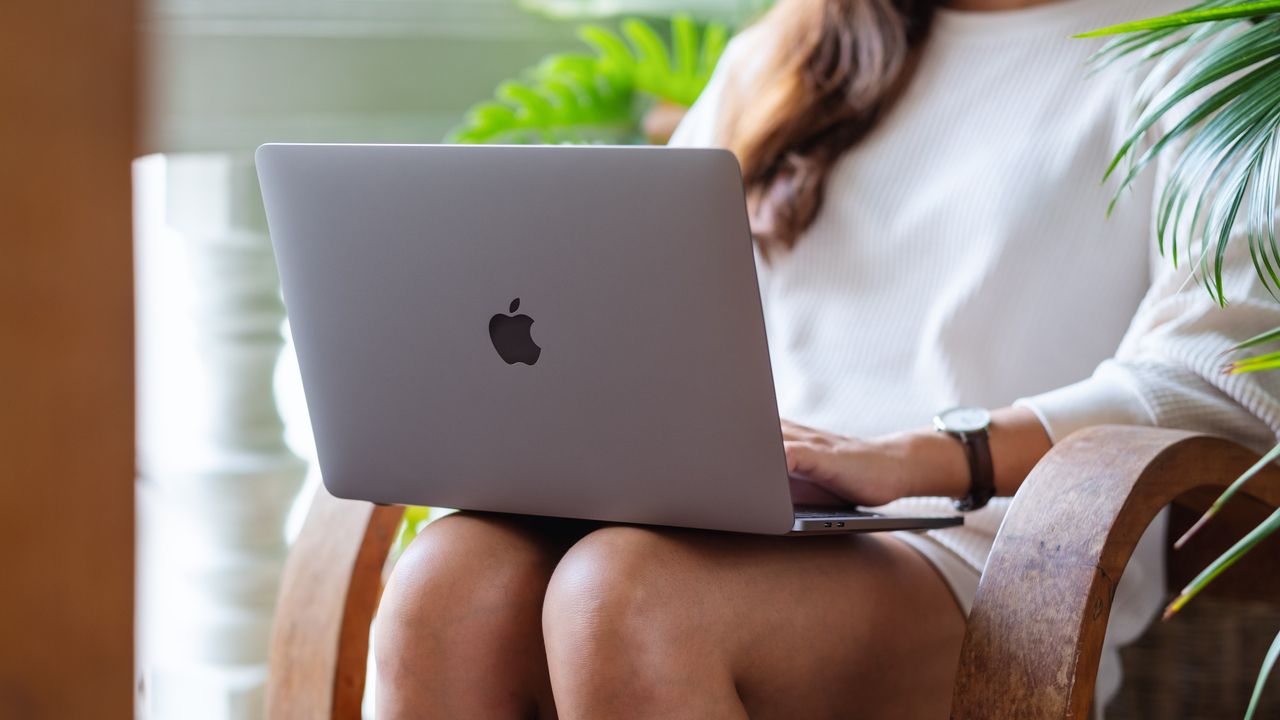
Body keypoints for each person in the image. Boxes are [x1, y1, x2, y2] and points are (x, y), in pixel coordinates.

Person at [375, 0, 1280, 717]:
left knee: (627, 598)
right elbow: (619, 309)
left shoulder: (1197, 59)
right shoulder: (791, 47)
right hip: (736, 520)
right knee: (447, 582)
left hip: (985, 563)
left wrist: (915, 457)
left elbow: (1224, 375)